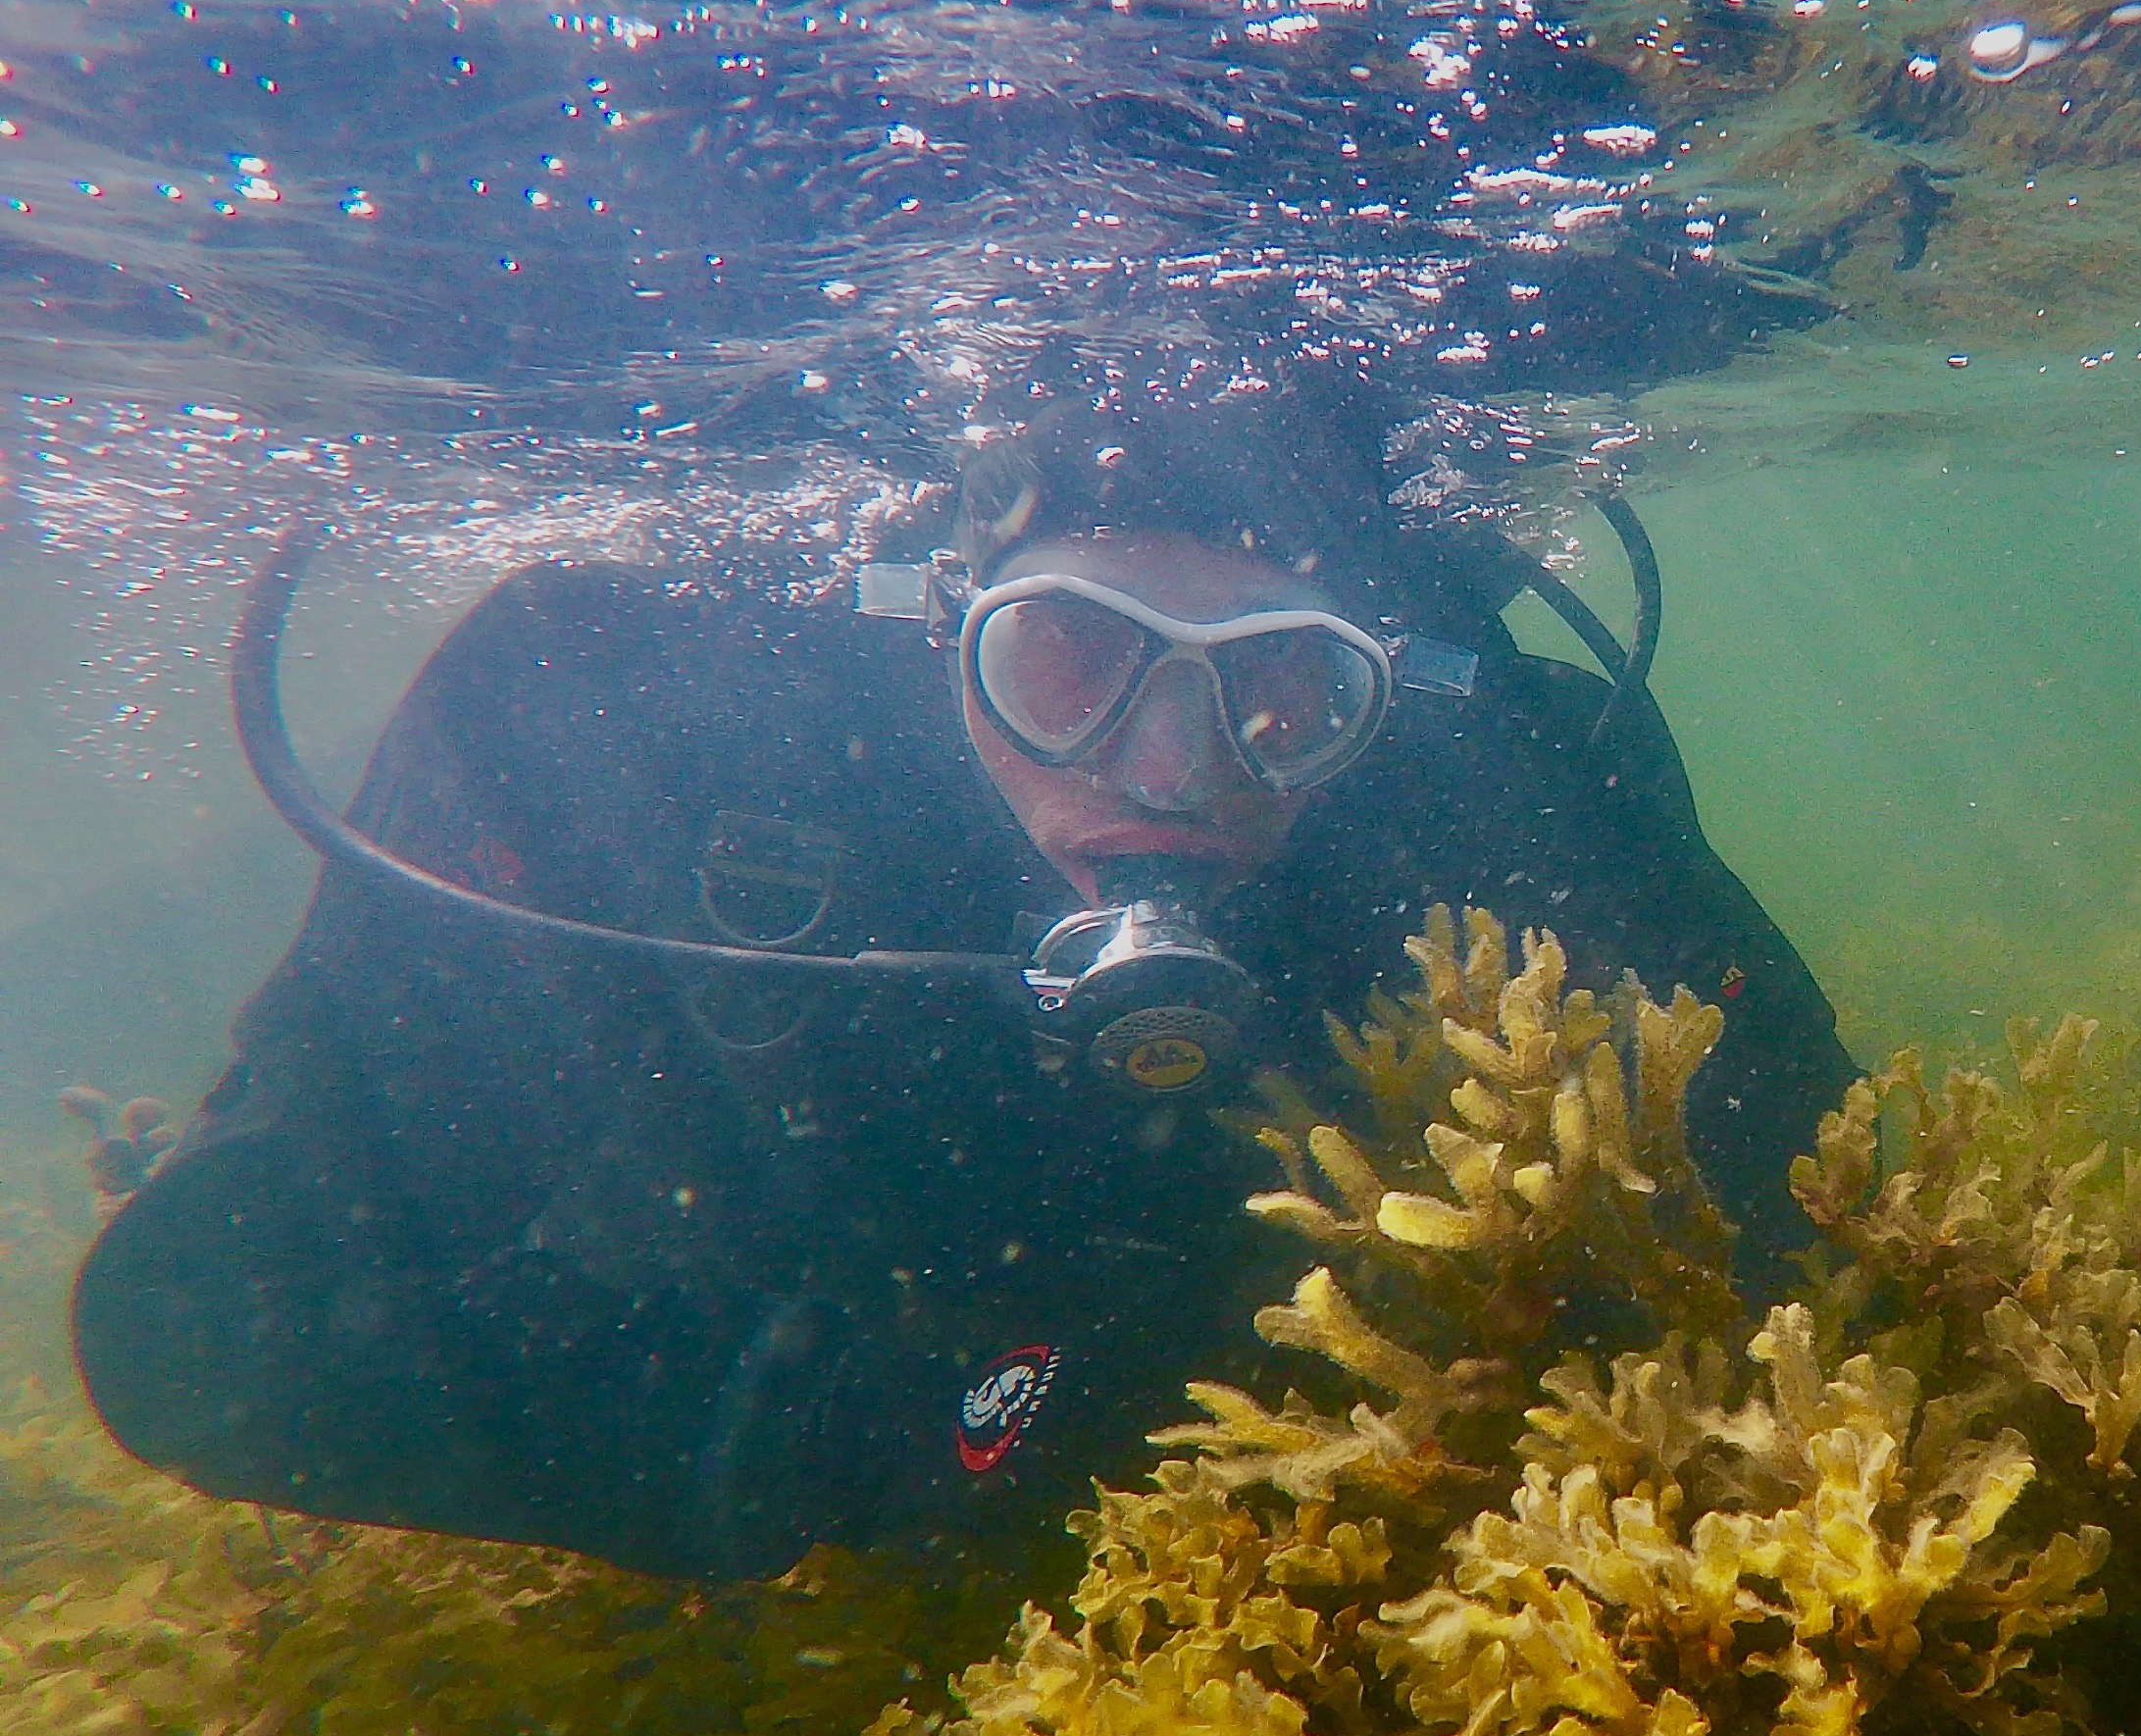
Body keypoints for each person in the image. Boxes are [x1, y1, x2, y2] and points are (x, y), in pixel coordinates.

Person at [70, 380, 1854, 1581]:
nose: (1176, 773)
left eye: (1285, 697)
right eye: (1068, 663)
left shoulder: (1487, 762)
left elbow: (1797, 1128)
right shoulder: (614, 721)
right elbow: (200, 1328)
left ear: (1381, 686)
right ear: (940, 612)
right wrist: (855, 1447)